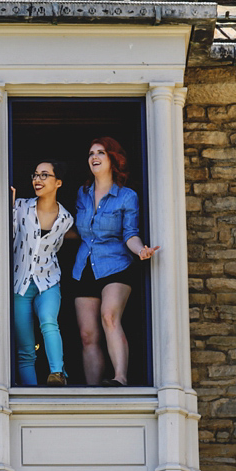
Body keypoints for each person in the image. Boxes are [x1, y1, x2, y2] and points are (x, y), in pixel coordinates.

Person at [70, 138, 159, 387]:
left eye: (101, 152)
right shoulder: (82, 194)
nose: (94, 157)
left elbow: (129, 233)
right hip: (83, 267)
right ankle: (93, 389)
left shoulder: (127, 196)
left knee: (109, 316)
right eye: (91, 153)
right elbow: (77, 230)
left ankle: (120, 377)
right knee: (87, 335)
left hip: (116, 265)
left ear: (113, 159)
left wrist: (141, 249)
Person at [12, 161, 75, 386]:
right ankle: (30, 391)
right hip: (19, 284)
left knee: (49, 321)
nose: (37, 180)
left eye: (44, 175)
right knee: (26, 348)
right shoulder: (19, 207)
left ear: (58, 183)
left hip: (49, 280)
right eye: (35, 174)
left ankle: (58, 374)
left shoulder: (66, 219)